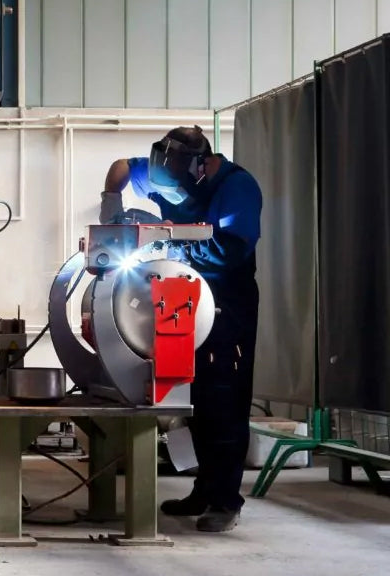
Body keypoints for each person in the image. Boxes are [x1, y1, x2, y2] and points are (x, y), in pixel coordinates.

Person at [99, 126, 262, 533]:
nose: (166, 196)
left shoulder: (237, 188)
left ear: (200, 168)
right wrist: (110, 203)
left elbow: (230, 250)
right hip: (182, 297)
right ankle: (203, 491)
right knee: (196, 399)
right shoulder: (164, 168)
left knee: (224, 401)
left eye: (173, 193)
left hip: (226, 302)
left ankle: (225, 501)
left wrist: (170, 246)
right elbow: (119, 167)